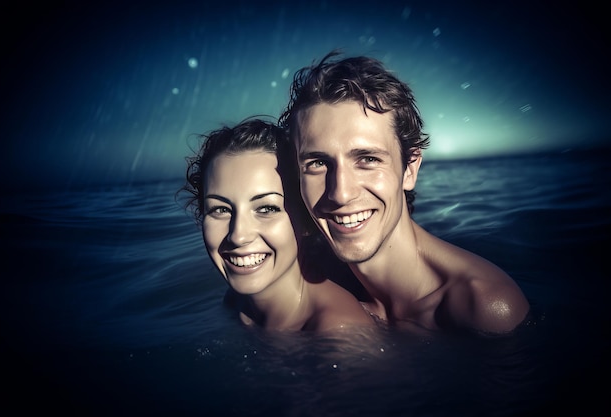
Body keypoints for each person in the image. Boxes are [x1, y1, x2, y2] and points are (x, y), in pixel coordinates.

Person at [278, 51, 530, 335]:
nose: (341, 194)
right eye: (318, 163)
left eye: (368, 159)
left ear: (409, 169)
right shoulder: (312, 274)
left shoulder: (484, 309)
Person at [180, 117, 375, 332]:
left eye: (266, 209)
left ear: (306, 220)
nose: (238, 235)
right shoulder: (235, 303)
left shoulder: (340, 331)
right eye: (221, 210)